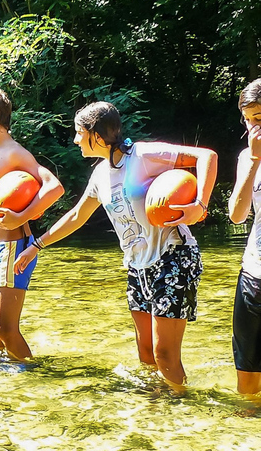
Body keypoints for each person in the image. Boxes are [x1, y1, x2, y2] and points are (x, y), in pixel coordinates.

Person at [14, 101, 216, 389]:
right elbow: (76, 216)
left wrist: (200, 205)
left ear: (96, 135)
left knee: (164, 353)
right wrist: (37, 244)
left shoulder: (144, 155)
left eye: (78, 133)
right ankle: (156, 404)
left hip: (174, 255)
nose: (74, 140)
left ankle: (181, 409)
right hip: (137, 267)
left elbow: (206, 156)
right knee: (146, 353)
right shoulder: (100, 174)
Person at [0, 87, 64, 360]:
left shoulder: (15, 153)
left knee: (6, 328)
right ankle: (4, 374)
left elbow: (54, 188)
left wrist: (23, 215)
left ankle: (29, 374)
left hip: (13, 245)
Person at [228, 78, 261, 396]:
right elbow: (237, 216)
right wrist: (254, 160)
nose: (253, 129)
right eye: (248, 120)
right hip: (254, 274)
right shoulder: (247, 159)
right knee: (247, 383)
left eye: (260, 119)